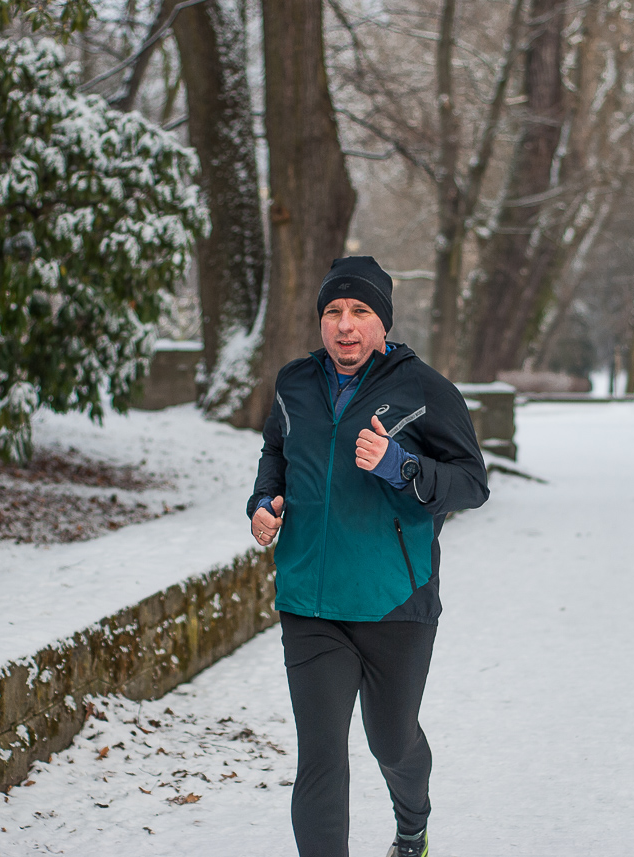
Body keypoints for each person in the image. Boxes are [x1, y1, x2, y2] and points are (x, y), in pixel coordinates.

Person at [248, 256, 489, 857]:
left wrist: (401, 467)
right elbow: (276, 451)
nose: (345, 324)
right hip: (311, 602)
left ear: (383, 322)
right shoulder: (294, 383)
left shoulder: (424, 389)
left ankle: (412, 828)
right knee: (320, 757)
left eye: (360, 311)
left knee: (391, 741)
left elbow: (472, 483)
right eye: (333, 311)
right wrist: (263, 501)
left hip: (395, 603)